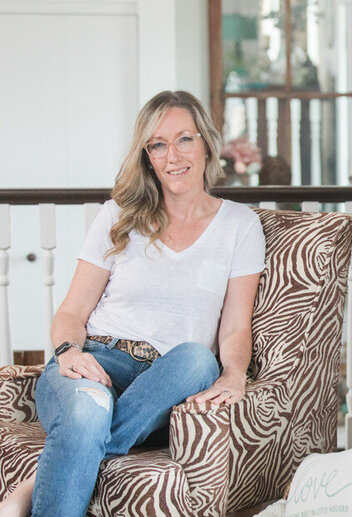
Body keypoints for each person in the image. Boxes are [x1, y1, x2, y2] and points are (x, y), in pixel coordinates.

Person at [0, 91, 266, 517]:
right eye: (157, 145)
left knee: (199, 359)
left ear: (206, 144)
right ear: (147, 157)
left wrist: (234, 374)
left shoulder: (239, 225)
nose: (172, 155)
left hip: (167, 379)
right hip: (95, 361)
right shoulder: (117, 216)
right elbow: (71, 312)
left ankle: (34, 484)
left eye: (184, 139)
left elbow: (235, 326)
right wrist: (69, 353)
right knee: (89, 409)